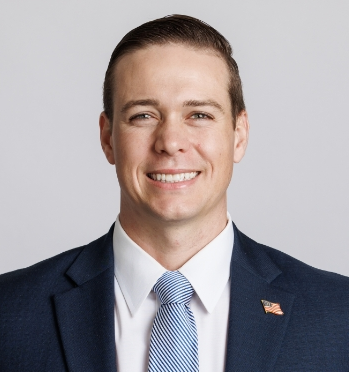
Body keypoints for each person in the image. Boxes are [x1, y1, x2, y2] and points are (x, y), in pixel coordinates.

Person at [0, 14, 348, 372]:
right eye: (143, 116)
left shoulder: (338, 314)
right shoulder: (8, 313)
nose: (170, 142)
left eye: (198, 115)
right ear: (107, 139)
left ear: (239, 135)